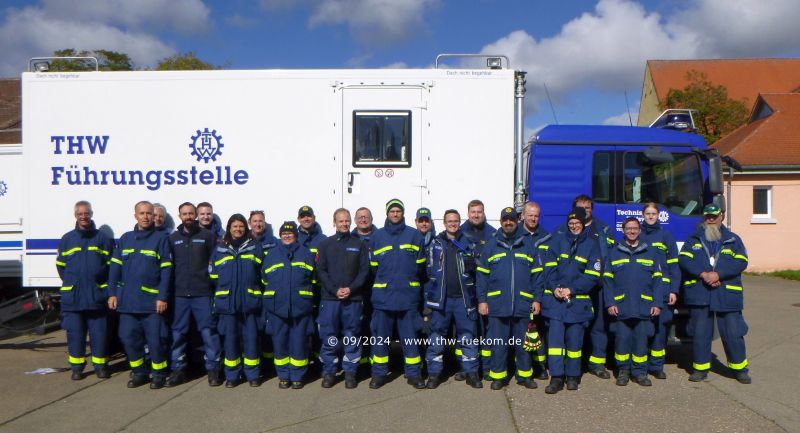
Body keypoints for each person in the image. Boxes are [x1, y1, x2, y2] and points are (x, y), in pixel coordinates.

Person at [680, 204, 751, 384]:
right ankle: (700, 369)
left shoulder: (734, 240)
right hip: (700, 293)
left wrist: (719, 274)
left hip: (726, 293)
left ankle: (739, 369)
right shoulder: (693, 239)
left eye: (714, 216)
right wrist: (704, 274)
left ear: (722, 216)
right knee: (700, 333)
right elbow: (685, 260)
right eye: (708, 216)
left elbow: (741, 261)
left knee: (733, 332)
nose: (711, 219)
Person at [108, 201, 173, 389]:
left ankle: (159, 373)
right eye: (142, 213)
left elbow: (167, 271)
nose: (145, 217)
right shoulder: (126, 239)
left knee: (156, 340)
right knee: (128, 338)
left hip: (151, 303)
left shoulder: (161, 239)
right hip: (128, 302)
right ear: (135, 215)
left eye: (149, 213)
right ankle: (139, 372)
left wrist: (162, 297)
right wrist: (112, 293)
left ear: (154, 216)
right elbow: (115, 268)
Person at [476, 207, 543, 390]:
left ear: (517, 221)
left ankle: (524, 376)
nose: (508, 222)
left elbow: (537, 276)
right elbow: (481, 277)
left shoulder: (528, 245)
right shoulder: (491, 245)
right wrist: (482, 300)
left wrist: (537, 299)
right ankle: (499, 376)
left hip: (523, 303)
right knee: (499, 345)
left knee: (524, 345)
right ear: (500, 221)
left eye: (511, 220)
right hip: (497, 305)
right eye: (505, 219)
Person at [368, 199, 427, 389]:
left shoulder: (414, 235)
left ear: (403, 213)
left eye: (398, 211)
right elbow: (374, 267)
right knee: (381, 340)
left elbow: (420, 266)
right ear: (387, 213)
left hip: (407, 298)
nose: (395, 214)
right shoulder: (377, 237)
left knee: (410, 339)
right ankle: (379, 374)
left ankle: (413, 374)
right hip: (383, 298)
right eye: (392, 211)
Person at [543, 207, 602, 394]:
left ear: (583, 224)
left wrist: (572, 289)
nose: (574, 226)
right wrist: (555, 288)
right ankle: (557, 377)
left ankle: (573, 376)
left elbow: (593, 275)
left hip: (578, 304)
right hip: (556, 304)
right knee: (555, 344)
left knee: (574, 344)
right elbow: (549, 269)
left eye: (577, 223)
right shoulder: (557, 241)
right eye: (571, 224)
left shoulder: (592, 245)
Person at [603, 217, 666, 387]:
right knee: (622, 340)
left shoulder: (650, 252)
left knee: (641, 341)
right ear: (623, 230)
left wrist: (657, 303)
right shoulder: (614, 252)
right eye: (628, 228)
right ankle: (623, 371)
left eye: (635, 228)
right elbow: (607, 282)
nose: (632, 231)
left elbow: (658, 281)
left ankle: (640, 372)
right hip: (621, 306)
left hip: (643, 306)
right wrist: (610, 303)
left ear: (640, 230)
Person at [557, 195, 614, 379]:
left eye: (587, 208)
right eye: (580, 208)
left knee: (598, 326)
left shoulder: (604, 229)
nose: (584, 211)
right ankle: (573, 363)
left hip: (597, 286)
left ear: (592, 209)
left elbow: (611, 259)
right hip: (572, 289)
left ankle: (597, 364)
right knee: (572, 327)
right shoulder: (562, 230)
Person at [165, 202, 222, 387]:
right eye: (184, 214)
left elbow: (215, 264)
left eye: (191, 213)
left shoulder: (207, 236)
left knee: (208, 332)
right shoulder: (173, 239)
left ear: (196, 215)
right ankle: (178, 369)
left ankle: (213, 369)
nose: (188, 216)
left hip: (202, 294)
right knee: (178, 334)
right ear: (179, 216)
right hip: (180, 294)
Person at [56, 200, 114, 380]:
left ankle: (100, 366)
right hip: (74, 297)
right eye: (80, 214)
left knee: (99, 335)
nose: (84, 217)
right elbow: (61, 266)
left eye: (86, 213)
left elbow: (111, 267)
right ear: (76, 216)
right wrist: (73, 283)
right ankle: (77, 367)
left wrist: (103, 287)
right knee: (75, 335)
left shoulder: (102, 238)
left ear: (91, 214)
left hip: (96, 295)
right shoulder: (67, 239)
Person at [424, 209, 482, 389]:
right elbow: (427, 272)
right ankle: (434, 375)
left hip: (464, 299)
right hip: (441, 300)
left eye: (456, 221)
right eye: (450, 221)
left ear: (459, 222)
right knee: (436, 338)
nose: (453, 224)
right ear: (444, 222)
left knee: (468, 337)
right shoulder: (434, 243)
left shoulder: (468, 243)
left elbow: (477, 270)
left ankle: (472, 373)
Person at [316, 208, 370, 389]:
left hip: (352, 299)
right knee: (329, 336)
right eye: (341, 221)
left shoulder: (359, 244)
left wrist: (351, 288)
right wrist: (334, 290)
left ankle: (350, 373)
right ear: (334, 223)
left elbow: (364, 271)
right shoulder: (325, 245)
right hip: (330, 300)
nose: (344, 224)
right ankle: (329, 372)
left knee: (352, 337)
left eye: (347, 221)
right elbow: (321, 271)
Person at [210, 214, 264, 387]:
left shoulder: (254, 247)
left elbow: (261, 274)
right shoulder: (219, 249)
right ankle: (232, 376)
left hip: (249, 303)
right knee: (230, 341)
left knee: (251, 341)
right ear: (229, 228)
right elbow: (213, 276)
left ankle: (252, 375)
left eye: (241, 226)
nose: (238, 229)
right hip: (227, 304)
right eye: (235, 226)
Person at [261, 221, 317, 389]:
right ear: (280, 235)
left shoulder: (306, 254)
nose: (287, 235)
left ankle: (298, 375)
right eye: (284, 233)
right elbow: (264, 279)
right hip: (277, 308)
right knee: (279, 342)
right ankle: (284, 375)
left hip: (300, 307)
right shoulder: (271, 255)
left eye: (290, 233)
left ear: (296, 235)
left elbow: (313, 279)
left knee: (298, 342)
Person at [639, 202, 680, 379]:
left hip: (662, 291)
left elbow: (674, 266)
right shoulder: (636, 234)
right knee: (642, 329)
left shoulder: (666, 236)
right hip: (641, 291)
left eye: (653, 214)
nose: (650, 216)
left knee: (660, 329)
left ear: (658, 216)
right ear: (643, 215)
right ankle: (640, 365)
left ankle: (656, 366)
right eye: (647, 213)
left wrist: (673, 290)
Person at [459, 199, 497, 376]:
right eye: (473, 212)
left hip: (487, 290)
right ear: (468, 213)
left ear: (484, 213)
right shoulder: (460, 233)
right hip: (465, 291)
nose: (476, 215)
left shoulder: (493, 234)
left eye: (479, 212)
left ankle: (487, 367)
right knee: (467, 330)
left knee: (487, 330)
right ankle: (466, 368)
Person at [517, 201, 554, 379]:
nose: (533, 218)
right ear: (522, 215)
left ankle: (540, 365)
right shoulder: (515, 236)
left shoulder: (547, 237)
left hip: (543, 293)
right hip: (521, 292)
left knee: (539, 330)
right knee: (523, 331)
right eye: (530, 214)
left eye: (536, 215)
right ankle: (523, 365)